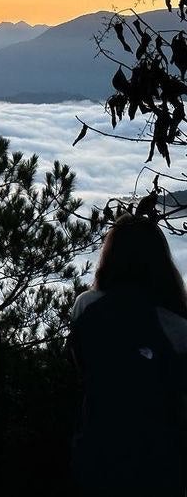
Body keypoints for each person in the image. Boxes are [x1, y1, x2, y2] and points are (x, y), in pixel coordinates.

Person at [69, 213, 187, 497]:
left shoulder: (85, 307)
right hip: (159, 465)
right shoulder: (177, 328)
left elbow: (79, 365)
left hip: (97, 454)